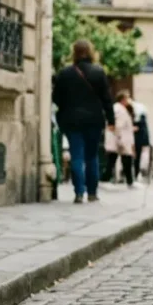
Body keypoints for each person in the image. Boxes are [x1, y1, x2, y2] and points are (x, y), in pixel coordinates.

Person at [51, 39, 116, 204]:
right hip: (94, 120)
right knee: (92, 156)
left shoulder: (65, 73)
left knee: (77, 156)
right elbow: (107, 99)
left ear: (74, 53)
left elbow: (56, 98)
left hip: (72, 120)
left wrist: (68, 108)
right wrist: (111, 120)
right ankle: (92, 192)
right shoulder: (98, 72)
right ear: (91, 52)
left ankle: (79, 192)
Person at [109, 91, 136, 187]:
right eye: (128, 98)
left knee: (113, 160)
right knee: (125, 160)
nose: (129, 100)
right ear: (123, 99)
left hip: (121, 139)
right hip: (122, 140)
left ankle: (129, 180)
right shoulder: (120, 110)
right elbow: (119, 126)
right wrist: (120, 138)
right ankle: (129, 181)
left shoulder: (120, 109)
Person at [132, 98, 150, 186]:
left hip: (138, 139)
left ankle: (137, 173)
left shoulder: (140, 118)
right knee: (137, 157)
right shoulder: (141, 116)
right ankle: (136, 173)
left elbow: (140, 128)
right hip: (138, 139)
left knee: (137, 157)